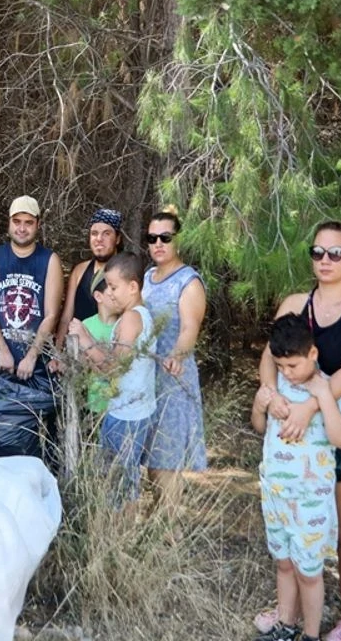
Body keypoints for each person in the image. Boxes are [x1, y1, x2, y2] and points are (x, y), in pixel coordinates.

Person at [254, 221, 341, 641]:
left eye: (335, 253)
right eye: (317, 252)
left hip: (339, 422)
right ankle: (289, 616)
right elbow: (270, 357)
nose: (325, 260)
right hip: (293, 427)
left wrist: (311, 407)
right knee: (293, 527)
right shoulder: (294, 302)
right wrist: (271, 395)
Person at [251, 314, 341, 641]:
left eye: (293, 366)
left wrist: (324, 398)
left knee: (309, 573)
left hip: (310, 501)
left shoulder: (330, 389)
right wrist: (260, 405)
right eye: (280, 366)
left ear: (312, 353)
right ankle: (286, 624)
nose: (286, 373)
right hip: (275, 493)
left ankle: (310, 634)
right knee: (284, 563)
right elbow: (259, 427)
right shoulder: (278, 387)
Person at [66, 252, 156, 507]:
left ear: (133, 287)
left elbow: (113, 368)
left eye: (114, 287)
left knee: (120, 486)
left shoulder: (131, 318)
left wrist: (85, 338)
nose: (111, 294)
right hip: (130, 410)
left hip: (127, 416)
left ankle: (118, 528)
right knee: (120, 481)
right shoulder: (140, 315)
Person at [140, 205, 208, 504]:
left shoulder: (188, 281)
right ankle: (159, 520)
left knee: (167, 457)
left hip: (172, 379)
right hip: (146, 378)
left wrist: (177, 356)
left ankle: (168, 524)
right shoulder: (147, 277)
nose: (158, 244)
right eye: (152, 238)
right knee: (151, 458)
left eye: (165, 238)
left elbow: (190, 328)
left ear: (177, 240)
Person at [0, 195, 64, 380]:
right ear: (9, 222)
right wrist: (2, 350)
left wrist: (32, 356)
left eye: (28, 222)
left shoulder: (50, 260)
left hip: (36, 365)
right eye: (17, 221)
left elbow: (51, 315)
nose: (22, 228)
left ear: (38, 224)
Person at [58, 208, 124, 352]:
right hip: (76, 353)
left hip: (109, 353)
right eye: (94, 233)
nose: (99, 238)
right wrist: (57, 353)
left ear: (118, 238)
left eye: (106, 233)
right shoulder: (79, 271)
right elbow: (67, 317)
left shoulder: (125, 273)